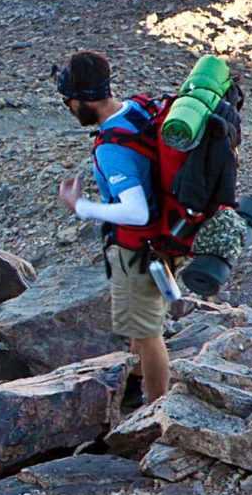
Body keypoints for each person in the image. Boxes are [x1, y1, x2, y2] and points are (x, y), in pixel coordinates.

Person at [52, 50, 171, 404]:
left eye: (68, 103)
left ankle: (157, 413)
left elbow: (136, 212)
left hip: (138, 250)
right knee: (140, 325)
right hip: (166, 236)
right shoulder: (137, 109)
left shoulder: (112, 149)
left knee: (149, 334)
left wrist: (82, 206)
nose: (70, 110)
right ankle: (134, 387)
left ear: (80, 100)